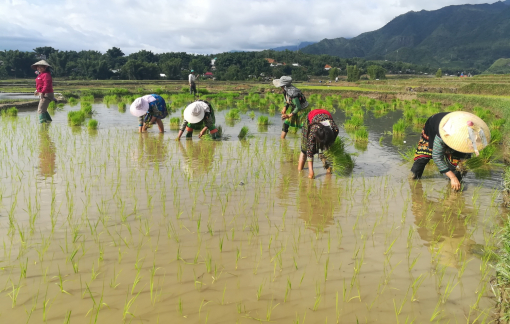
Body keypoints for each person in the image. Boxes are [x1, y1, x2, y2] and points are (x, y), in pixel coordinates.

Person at [410, 111, 490, 190]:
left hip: (461, 135)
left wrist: (457, 174)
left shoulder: (474, 134)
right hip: (433, 127)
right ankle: (413, 180)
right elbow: (437, 156)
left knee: (458, 167)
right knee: (423, 158)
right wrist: (452, 177)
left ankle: (453, 191)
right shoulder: (443, 133)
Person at [298, 109, 339, 179]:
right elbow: (309, 152)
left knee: (326, 151)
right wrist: (311, 172)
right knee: (304, 150)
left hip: (325, 115)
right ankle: (299, 171)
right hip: (311, 117)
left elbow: (332, 140)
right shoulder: (313, 131)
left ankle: (329, 171)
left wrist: (326, 149)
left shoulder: (334, 129)